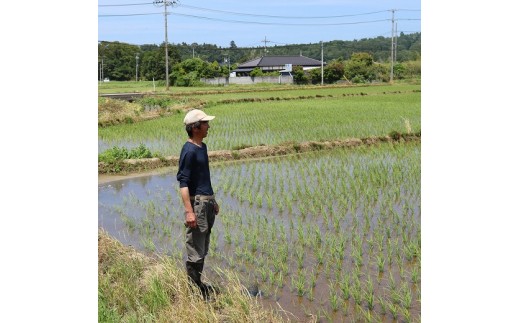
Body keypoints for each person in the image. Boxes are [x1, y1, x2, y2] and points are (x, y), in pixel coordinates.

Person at [176, 109, 220, 299]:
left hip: (207, 203)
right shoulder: (189, 150)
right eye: (205, 123)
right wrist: (189, 212)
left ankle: (198, 285)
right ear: (195, 127)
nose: (208, 126)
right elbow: (183, 182)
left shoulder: (202, 147)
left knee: (203, 247)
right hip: (198, 206)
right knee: (195, 249)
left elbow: (204, 179)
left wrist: (213, 200)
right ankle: (193, 291)